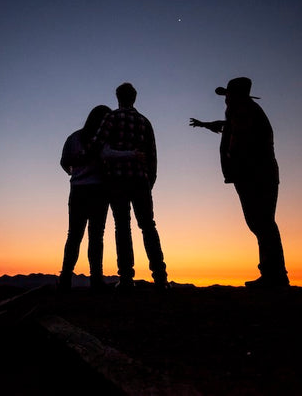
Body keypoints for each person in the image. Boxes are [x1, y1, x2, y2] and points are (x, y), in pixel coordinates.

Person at [189, 77, 289, 287]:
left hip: (254, 175)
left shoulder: (243, 111)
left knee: (261, 223)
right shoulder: (246, 111)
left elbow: (239, 139)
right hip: (260, 174)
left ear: (235, 96)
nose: (225, 100)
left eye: (227, 95)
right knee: (262, 223)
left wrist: (234, 164)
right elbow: (228, 127)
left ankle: (275, 276)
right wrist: (207, 125)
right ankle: (273, 274)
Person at [92, 83, 169, 290]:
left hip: (117, 181)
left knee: (122, 227)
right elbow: (152, 155)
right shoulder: (145, 122)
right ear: (135, 98)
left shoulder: (112, 118)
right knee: (148, 226)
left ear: (117, 97)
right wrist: (149, 180)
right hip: (140, 181)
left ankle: (126, 278)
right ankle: (160, 277)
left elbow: (97, 145)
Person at [59, 105, 141, 291]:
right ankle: (96, 279)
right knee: (96, 236)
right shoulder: (104, 140)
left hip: (78, 190)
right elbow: (111, 157)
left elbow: (64, 162)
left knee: (74, 235)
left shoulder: (74, 138)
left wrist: (76, 173)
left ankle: (65, 278)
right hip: (99, 190)